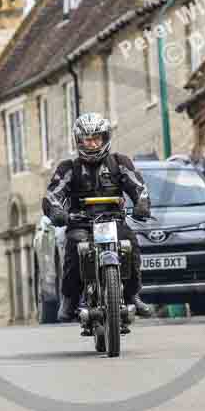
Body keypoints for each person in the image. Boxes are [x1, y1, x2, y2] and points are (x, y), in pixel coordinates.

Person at [43, 112, 152, 322]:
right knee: (74, 247)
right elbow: (53, 195)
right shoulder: (68, 168)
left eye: (96, 139)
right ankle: (70, 298)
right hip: (80, 224)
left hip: (114, 221)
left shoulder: (120, 162)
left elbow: (139, 187)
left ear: (105, 139)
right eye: (87, 139)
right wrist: (57, 212)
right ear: (78, 141)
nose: (92, 144)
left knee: (130, 242)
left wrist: (142, 204)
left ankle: (132, 295)